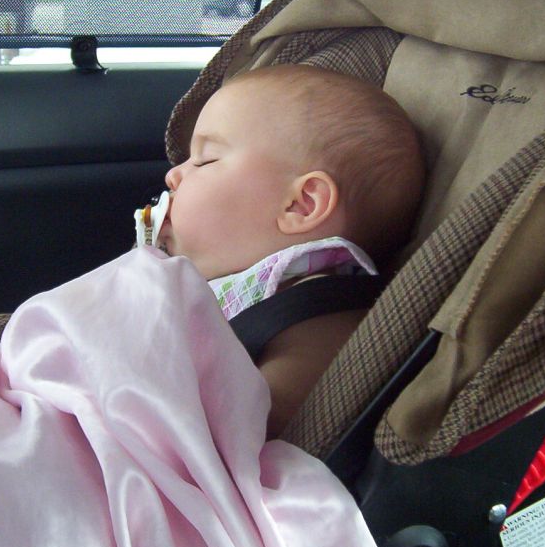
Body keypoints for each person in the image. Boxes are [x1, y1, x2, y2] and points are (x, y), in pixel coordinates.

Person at [154, 63, 426, 436]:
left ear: (300, 206)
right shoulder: (205, 278)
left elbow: (253, 432)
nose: (173, 175)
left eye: (205, 159)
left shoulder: (316, 314)